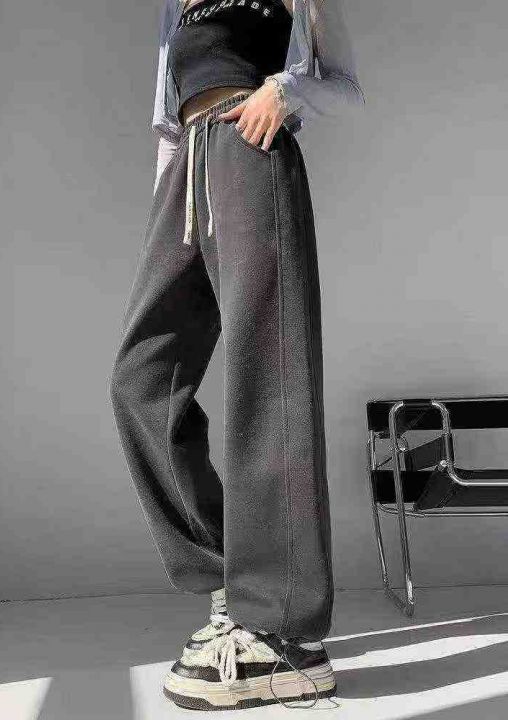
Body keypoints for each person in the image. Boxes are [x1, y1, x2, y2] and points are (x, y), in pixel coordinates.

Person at [110, 0, 365, 710]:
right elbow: (167, 117)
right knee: (140, 381)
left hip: (250, 152)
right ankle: (234, 577)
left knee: (269, 378)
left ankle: (285, 635)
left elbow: (344, 83)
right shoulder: (176, 6)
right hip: (185, 172)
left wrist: (284, 91)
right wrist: (168, 206)